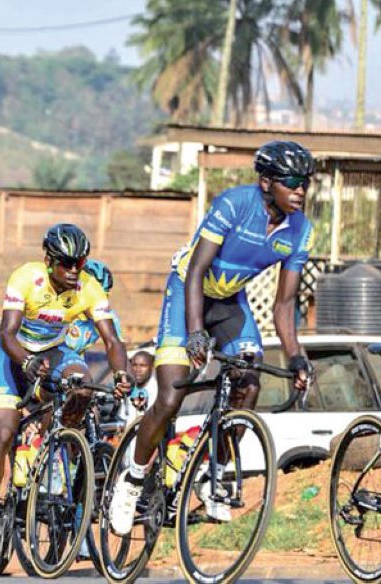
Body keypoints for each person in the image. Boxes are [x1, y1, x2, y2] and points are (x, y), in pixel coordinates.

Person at [108, 140, 315, 535]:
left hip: (230, 301)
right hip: (188, 291)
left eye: (305, 182)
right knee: (171, 395)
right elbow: (198, 270)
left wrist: (296, 357)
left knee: (248, 385)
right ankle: (132, 480)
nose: (301, 190)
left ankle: (208, 473)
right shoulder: (234, 204)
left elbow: (284, 305)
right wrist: (195, 333)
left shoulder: (300, 230)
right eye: (292, 182)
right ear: (267, 182)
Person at [0, 224, 132, 556]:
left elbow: (112, 339)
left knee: (82, 386)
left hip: (55, 351)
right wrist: (27, 361)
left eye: (80, 262)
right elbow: (8, 334)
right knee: (4, 430)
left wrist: (121, 374)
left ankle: (55, 445)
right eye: (66, 263)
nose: (74, 270)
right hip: (14, 353)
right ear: (48, 260)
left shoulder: (88, 286)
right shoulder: (26, 278)